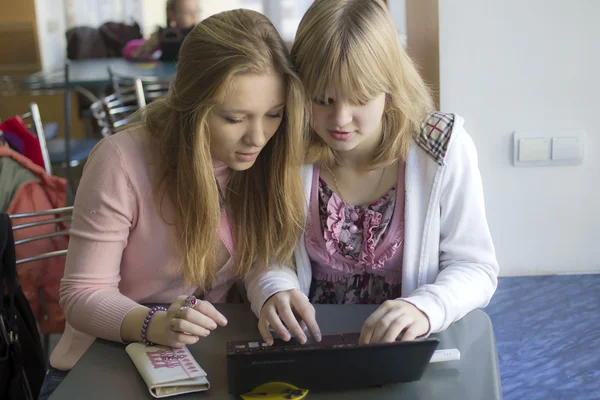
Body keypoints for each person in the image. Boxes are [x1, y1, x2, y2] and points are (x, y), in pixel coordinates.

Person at [38, 9, 307, 400]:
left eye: (273, 115)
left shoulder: (268, 159)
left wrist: (271, 289)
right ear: (191, 106)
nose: (258, 137)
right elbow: (82, 295)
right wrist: (154, 323)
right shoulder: (120, 161)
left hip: (200, 367)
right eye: (234, 118)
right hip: (99, 366)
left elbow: (254, 254)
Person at [246, 0, 499, 347]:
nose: (339, 120)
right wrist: (275, 289)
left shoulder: (441, 147)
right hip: (310, 344)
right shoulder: (288, 144)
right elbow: (266, 254)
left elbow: (476, 268)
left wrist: (426, 308)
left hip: (408, 345)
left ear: (390, 86)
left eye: (360, 98)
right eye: (321, 100)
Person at [123, 0, 201, 61]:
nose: (194, 16)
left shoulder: (201, 35)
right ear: (172, 14)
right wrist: (149, 45)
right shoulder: (166, 36)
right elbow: (129, 49)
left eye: (196, 11)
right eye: (187, 13)